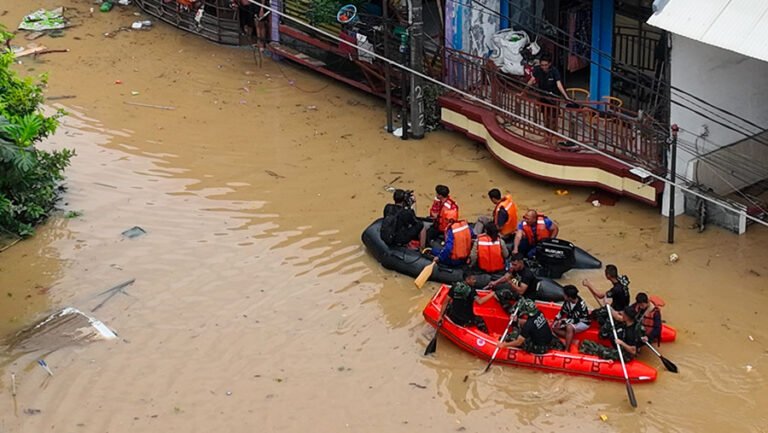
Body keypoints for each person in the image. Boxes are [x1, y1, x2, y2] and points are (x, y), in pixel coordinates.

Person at [520, 52, 571, 137]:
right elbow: (531, 81)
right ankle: (547, 134)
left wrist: (566, 97)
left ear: (550, 64)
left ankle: (553, 134)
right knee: (545, 117)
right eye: (542, 65)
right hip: (543, 96)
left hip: (553, 97)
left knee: (553, 118)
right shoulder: (537, 70)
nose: (544, 67)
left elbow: (559, 85)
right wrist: (523, 92)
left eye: (546, 65)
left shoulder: (554, 71)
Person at [579, 306, 646, 361]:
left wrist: (621, 343)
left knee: (590, 346)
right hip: (619, 348)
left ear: (627, 317)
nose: (622, 314)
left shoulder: (631, 332)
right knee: (587, 342)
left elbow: (633, 351)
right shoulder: (631, 323)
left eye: (624, 313)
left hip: (625, 355)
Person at [583, 264, 631, 338]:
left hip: (617, 312)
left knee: (602, 334)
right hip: (623, 307)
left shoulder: (616, 289)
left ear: (608, 275)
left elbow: (600, 295)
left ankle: (610, 330)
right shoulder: (622, 280)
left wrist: (588, 284)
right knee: (595, 313)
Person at [552, 285, 591, 351]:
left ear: (569, 297)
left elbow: (575, 320)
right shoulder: (567, 301)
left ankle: (566, 350)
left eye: (564, 295)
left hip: (582, 322)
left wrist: (561, 322)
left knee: (569, 327)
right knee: (554, 328)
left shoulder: (581, 305)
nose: (563, 296)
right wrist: (556, 319)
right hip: (571, 320)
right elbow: (562, 311)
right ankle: (572, 340)